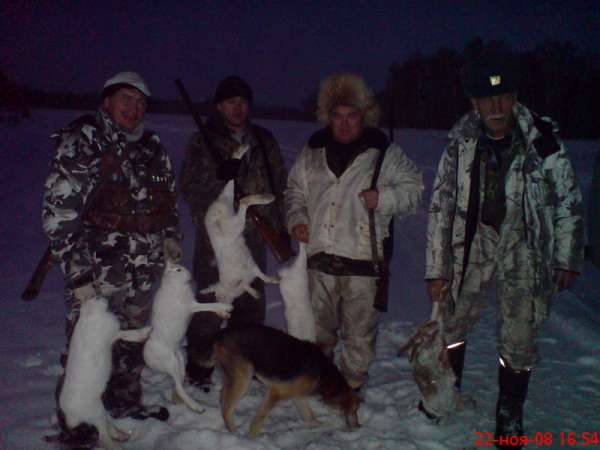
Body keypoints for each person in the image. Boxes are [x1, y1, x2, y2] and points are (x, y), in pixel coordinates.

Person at [425, 51, 583, 447]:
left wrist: (566, 257)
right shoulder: (460, 143)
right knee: (454, 320)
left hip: (524, 244)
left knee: (519, 332)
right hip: (474, 240)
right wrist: (437, 268)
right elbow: (441, 207)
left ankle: (509, 415)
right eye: (486, 99)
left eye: (503, 97)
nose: (496, 106)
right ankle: (446, 391)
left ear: (514, 98)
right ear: (474, 103)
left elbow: (568, 200)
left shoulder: (543, 142)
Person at [42, 71, 181, 445]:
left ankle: (123, 402)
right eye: (125, 99)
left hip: (143, 267)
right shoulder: (84, 139)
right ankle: (77, 423)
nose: (133, 108)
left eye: (140, 102)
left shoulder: (153, 147)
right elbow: (59, 211)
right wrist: (78, 273)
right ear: (106, 102)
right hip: (98, 269)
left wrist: (170, 238)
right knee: (87, 347)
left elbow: (167, 201)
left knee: (132, 340)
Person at [285, 73, 424, 391]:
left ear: (364, 117)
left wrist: (385, 198)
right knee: (318, 334)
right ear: (328, 118)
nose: (344, 124)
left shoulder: (383, 152)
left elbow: (414, 188)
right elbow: (294, 190)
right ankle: (321, 382)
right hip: (319, 260)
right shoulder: (312, 151)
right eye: (337, 116)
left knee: (359, 337)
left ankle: (350, 390)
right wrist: (296, 220)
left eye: (352, 116)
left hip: (364, 263)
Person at [179, 75, 288, 386]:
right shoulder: (203, 141)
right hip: (216, 240)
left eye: (242, 102)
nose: (237, 108)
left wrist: (280, 229)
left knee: (251, 303)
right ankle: (200, 364)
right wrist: (219, 176)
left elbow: (279, 185)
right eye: (230, 102)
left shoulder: (264, 140)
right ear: (219, 106)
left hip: (255, 236)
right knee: (213, 299)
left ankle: (244, 361)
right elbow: (188, 189)